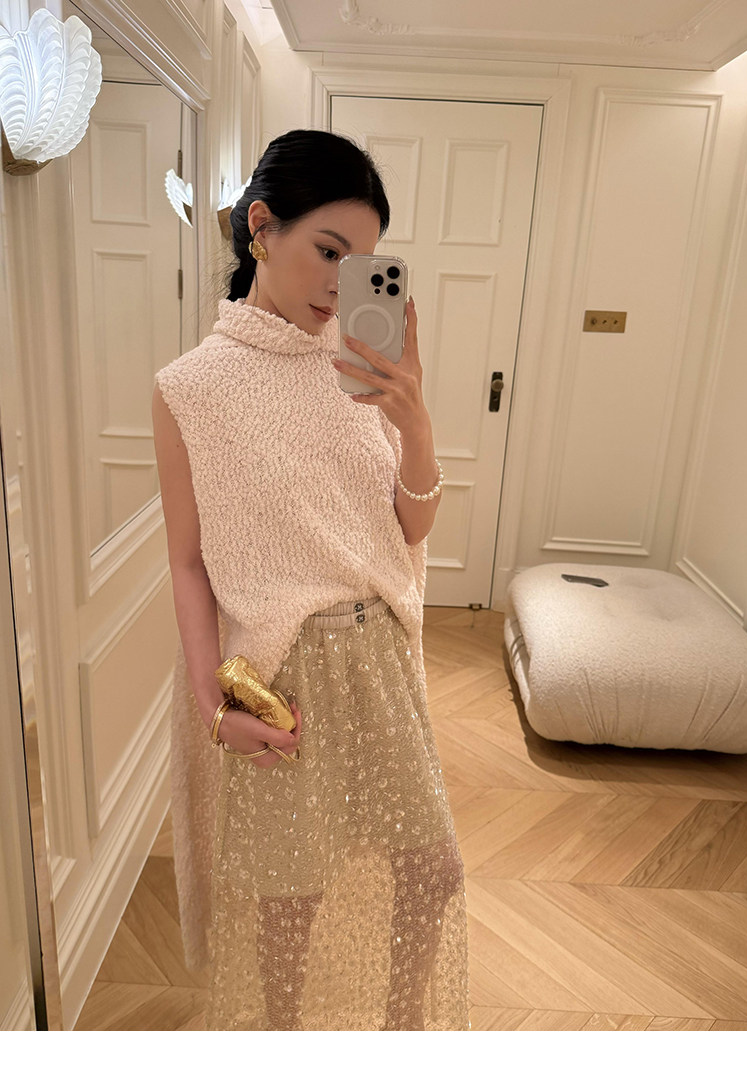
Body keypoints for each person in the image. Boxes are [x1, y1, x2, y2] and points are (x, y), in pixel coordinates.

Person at [152, 128, 469, 1030]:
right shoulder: (190, 388)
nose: (342, 283)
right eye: (329, 251)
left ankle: (401, 1031)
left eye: (362, 262)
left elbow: (411, 526)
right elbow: (187, 560)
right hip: (286, 677)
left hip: (382, 664)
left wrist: (415, 421)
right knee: (290, 900)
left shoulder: (362, 367)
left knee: (433, 870)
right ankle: (285, 1038)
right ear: (263, 227)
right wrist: (213, 706)